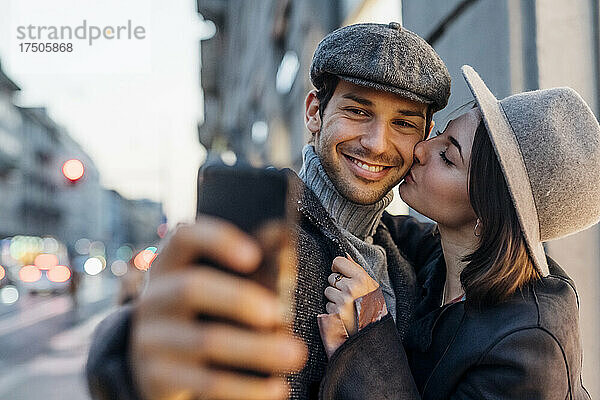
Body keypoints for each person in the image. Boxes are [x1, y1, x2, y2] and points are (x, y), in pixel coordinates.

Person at [86, 22, 452, 400]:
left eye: (404, 123)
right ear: (314, 113)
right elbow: (173, 353)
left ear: (424, 138)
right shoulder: (268, 240)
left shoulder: (405, 251)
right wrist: (126, 363)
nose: (377, 143)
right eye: (358, 111)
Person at [318, 65, 599, 399]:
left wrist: (370, 331)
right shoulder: (441, 258)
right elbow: (361, 220)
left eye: (447, 156)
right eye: (439, 136)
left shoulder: (528, 349)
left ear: (488, 208)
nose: (420, 150)